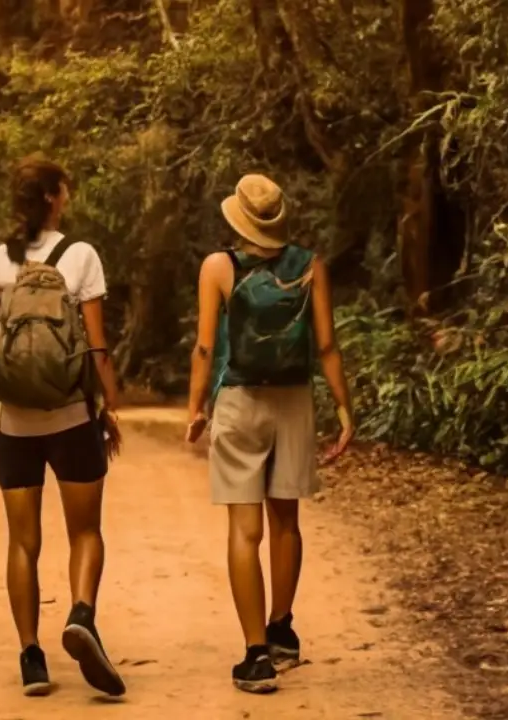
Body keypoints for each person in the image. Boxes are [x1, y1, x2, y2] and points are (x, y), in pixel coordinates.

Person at [185, 173, 355, 694]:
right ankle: (283, 628)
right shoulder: (309, 266)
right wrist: (344, 408)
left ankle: (256, 655)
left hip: (239, 401)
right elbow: (326, 345)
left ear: (237, 217)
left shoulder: (219, 267)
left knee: (245, 530)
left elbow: (204, 348)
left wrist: (194, 406)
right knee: (286, 522)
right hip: (294, 401)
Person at [0, 156, 126, 698]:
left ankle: (32, 656)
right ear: (56, 196)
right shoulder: (80, 256)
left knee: (23, 541)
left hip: (17, 425)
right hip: (72, 417)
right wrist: (109, 407)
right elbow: (97, 345)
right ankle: (81, 613)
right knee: (85, 530)